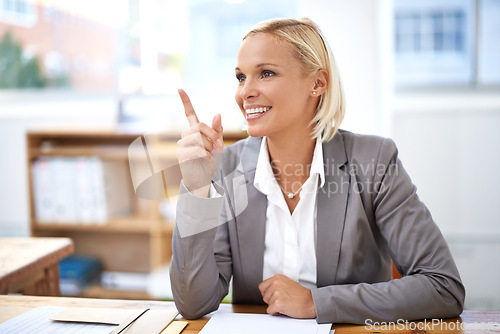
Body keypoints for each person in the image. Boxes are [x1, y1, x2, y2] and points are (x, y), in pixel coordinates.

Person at [170, 17, 465, 324]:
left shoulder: (374, 161)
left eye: (266, 73)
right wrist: (196, 189)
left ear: (318, 83)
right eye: (241, 77)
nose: (245, 92)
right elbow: (194, 303)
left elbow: (443, 287)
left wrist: (317, 302)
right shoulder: (227, 167)